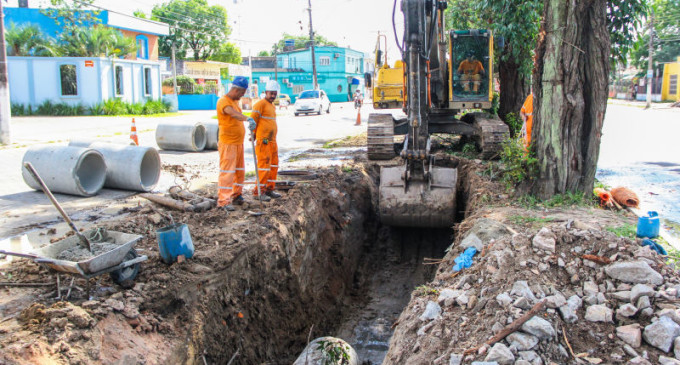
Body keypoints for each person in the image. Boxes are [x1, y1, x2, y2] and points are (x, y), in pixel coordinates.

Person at [216, 76, 257, 211]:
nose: (243, 95)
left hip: (238, 143)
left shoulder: (235, 102)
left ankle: (236, 194)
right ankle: (223, 201)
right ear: (237, 90)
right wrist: (247, 118)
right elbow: (232, 114)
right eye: (242, 92)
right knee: (227, 172)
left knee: (239, 172)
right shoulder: (224, 101)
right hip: (228, 143)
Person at [250, 80, 282, 201]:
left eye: (275, 94)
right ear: (266, 92)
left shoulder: (272, 106)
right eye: (271, 93)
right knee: (264, 166)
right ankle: (259, 191)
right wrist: (253, 135)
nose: (273, 96)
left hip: (272, 141)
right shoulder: (260, 104)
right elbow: (253, 121)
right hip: (263, 141)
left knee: (273, 165)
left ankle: (269, 188)